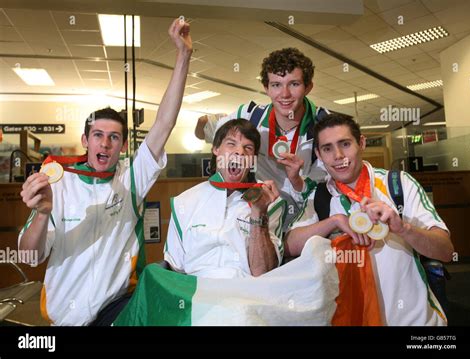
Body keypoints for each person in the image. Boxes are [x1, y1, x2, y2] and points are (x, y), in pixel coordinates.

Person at [17, 18, 193, 326]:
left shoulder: (131, 179)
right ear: (85, 141)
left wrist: (183, 56)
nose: (105, 143)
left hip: (116, 310)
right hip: (65, 317)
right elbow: (29, 257)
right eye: (98, 135)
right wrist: (43, 212)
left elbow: (164, 124)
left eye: (114, 137)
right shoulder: (57, 183)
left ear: (123, 145)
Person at [285, 113, 454, 326]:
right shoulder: (319, 197)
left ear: (361, 143)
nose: (338, 155)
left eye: (345, 144)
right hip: (352, 318)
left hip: (414, 321)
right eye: (327, 148)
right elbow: (290, 245)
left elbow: (446, 251)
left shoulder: (398, 184)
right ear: (319, 154)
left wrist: (402, 228)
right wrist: (334, 221)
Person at [195, 48, 329, 226]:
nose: (285, 94)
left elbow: (328, 184)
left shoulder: (324, 125)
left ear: (308, 87)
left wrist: (297, 180)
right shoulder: (250, 115)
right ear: (266, 88)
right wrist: (204, 122)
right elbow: (203, 131)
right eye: (276, 85)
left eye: (294, 84)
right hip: (260, 215)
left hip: (304, 220)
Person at [165, 119, 286, 278]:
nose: (240, 152)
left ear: (253, 161)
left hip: (244, 296)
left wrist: (259, 213)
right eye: (231, 144)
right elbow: (175, 268)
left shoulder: (269, 200)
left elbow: (262, 272)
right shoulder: (184, 202)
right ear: (216, 149)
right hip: (196, 293)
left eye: (248, 148)